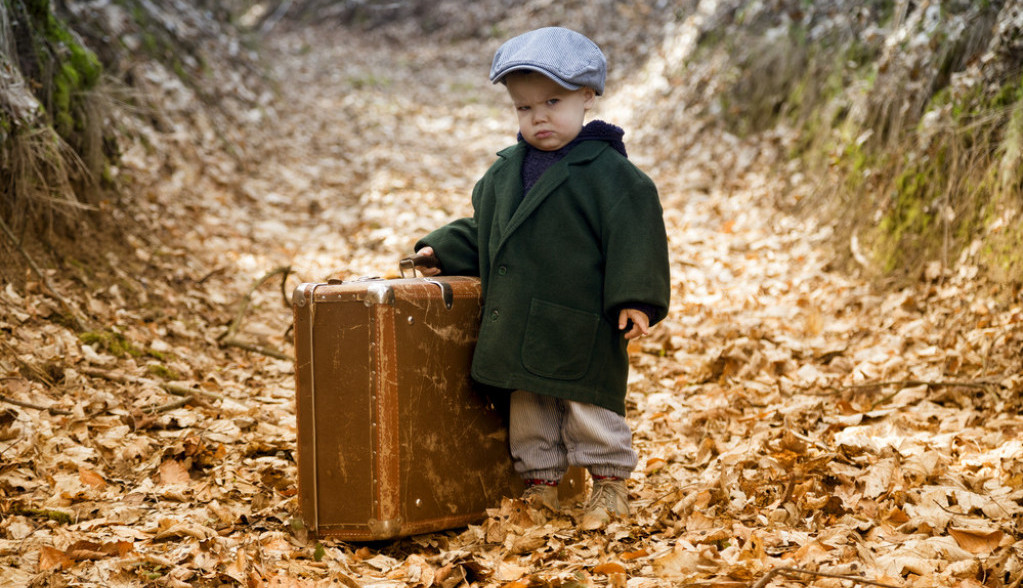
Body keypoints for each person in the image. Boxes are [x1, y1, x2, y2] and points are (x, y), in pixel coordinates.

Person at [413, 26, 670, 530]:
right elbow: (489, 231)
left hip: (582, 321)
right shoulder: (505, 173)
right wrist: (442, 247)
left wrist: (635, 297)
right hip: (519, 322)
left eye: (553, 101)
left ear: (586, 97)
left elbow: (636, 234)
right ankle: (541, 487)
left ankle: (611, 485)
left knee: (588, 404)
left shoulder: (610, 175)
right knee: (529, 411)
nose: (539, 117)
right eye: (524, 107)